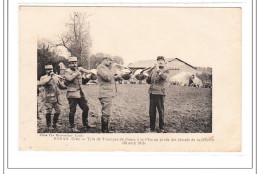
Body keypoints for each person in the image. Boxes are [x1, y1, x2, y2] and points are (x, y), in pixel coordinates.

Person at [64, 57, 96, 131]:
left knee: (86, 108)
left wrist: (88, 77)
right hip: (72, 93)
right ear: (69, 64)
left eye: (75, 63)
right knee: (72, 110)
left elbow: (83, 82)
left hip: (80, 92)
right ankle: (72, 126)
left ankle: (85, 123)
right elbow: (69, 79)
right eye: (72, 63)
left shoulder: (77, 71)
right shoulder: (67, 71)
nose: (74, 64)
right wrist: (77, 72)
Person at [97, 57, 121, 133]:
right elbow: (107, 77)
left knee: (107, 111)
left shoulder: (107, 68)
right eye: (110, 61)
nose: (111, 63)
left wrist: (117, 77)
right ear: (106, 59)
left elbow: (110, 78)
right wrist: (113, 69)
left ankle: (104, 129)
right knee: (106, 112)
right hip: (105, 93)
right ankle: (104, 130)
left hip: (108, 93)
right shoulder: (100, 67)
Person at [146, 56, 168, 133]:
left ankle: (161, 128)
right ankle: (152, 128)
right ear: (157, 61)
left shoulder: (166, 70)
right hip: (152, 92)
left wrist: (158, 70)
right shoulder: (153, 70)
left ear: (164, 62)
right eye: (159, 60)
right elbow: (149, 81)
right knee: (151, 111)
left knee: (160, 111)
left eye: (162, 60)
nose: (160, 61)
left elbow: (164, 77)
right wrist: (147, 76)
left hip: (160, 93)